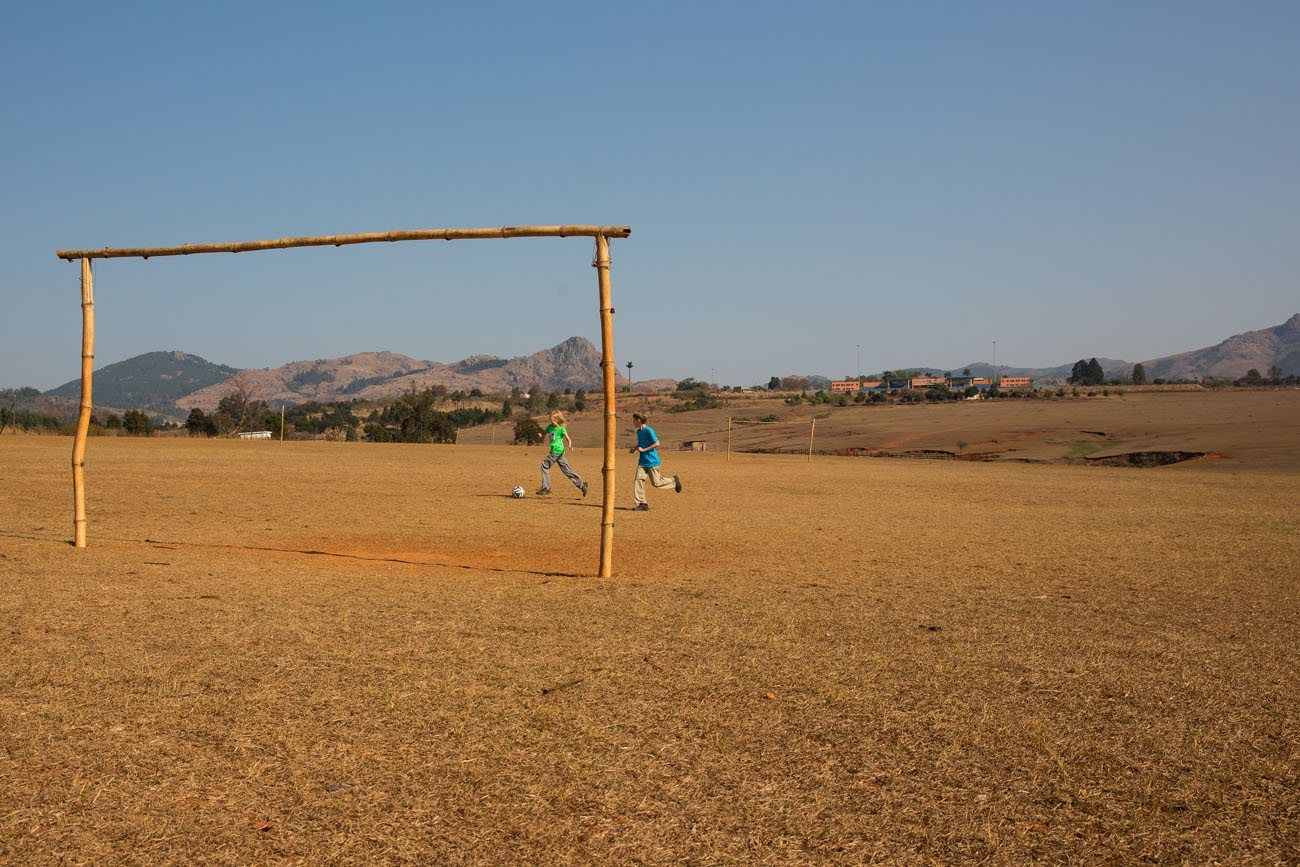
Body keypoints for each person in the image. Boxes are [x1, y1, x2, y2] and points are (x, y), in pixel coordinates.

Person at [629, 412, 681, 510]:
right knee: (638, 481)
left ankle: (674, 481)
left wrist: (644, 450)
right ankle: (642, 504)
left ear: (638, 420)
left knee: (656, 483)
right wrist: (634, 448)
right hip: (642, 462)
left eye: (634, 420)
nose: (633, 422)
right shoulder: (639, 432)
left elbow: (657, 443)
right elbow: (641, 443)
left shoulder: (649, 430)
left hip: (652, 461)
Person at [538, 411, 588, 497]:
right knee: (567, 470)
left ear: (557, 420)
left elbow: (568, 438)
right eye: (550, 419)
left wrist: (570, 445)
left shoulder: (561, 429)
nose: (550, 421)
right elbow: (544, 432)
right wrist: (541, 434)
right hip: (559, 453)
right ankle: (582, 485)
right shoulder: (550, 427)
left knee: (544, 466)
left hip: (556, 451)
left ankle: (546, 487)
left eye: (552, 420)